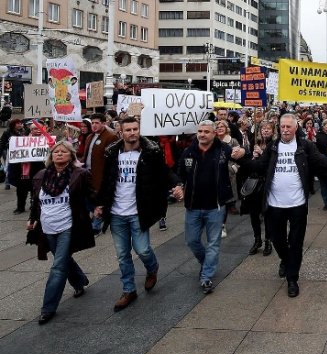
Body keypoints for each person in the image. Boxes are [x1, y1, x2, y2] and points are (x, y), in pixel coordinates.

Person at [238, 113, 327, 298]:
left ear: (295, 128)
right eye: (282, 127)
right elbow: (260, 166)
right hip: (274, 204)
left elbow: (322, 162)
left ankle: (292, 278)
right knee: (277, 239)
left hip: (297, 204)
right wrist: (242, 159)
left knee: (296, 242)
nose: (285, 130)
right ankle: (286, 259)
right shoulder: (273, 146)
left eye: (288, 127)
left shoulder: (305, 146)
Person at [96, 117, 180, 311]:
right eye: (128, 130)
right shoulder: (112, 153)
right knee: (123, 254)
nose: (132, 133)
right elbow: (106, 180)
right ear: (121, 132)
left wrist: (177, 185)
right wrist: (99, 203)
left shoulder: (151, 151)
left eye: (135, 129)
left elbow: (164, 172)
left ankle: (152, 268)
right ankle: (128, 290)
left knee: (142, 250)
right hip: (117, 213)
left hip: (138, 211)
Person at [27, 141, 94, 324]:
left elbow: (91, 194)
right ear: (51, 155)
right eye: (56, 151)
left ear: (71, 156)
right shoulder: (41, 175)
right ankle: (79, 281)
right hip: (48, 227)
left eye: (63, 151)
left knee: (58, 266)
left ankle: (48, 308)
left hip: (68, 226)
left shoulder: (79, 174)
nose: (59, 154)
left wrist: (98, 208)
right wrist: (32, 219)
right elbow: (36, 201)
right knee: (63, 259)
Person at [175, 120, 234, 295]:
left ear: (214, 133)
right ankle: (206, 262)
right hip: (193, 206)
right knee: (192, 241)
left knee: (214, 243)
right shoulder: (188, 151)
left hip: (215, 207)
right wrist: (178, 185)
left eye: (206, 131)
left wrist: (244, 152)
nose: (202, 134)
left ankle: (206, 276)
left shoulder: (224, 150)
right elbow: (180, 173)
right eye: (200, 131)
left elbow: (241, 158)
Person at [243, 120, 276, 256]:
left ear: (273, 131)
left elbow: (272, 164)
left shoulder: (275, 145)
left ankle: (268, 240)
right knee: (253, 214)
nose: (265, 131)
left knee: (267, 214)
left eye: (268, 129)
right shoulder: (254, 143)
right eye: (263, 129)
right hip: (255, 183)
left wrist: (262, 155)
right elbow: (252, 165)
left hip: (267, 183)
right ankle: (257, 239)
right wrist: (253, 157)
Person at [84, 113, 119, 234]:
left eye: (97, 123)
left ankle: (96, 225)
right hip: (88, 173)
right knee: (88, 199)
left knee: (99, 198)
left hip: (101, 173)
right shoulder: (89, 137)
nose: (94, 125)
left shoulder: (110, 136)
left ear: (104, 123)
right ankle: (97, 219)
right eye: (92, 123)